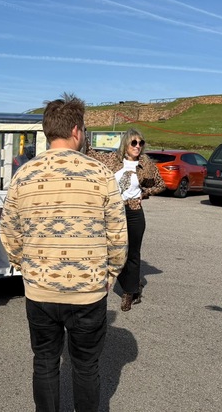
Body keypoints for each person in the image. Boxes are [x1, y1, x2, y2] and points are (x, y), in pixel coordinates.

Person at [0, 94, 128, 411]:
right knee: (85, 367)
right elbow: (118, 236)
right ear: (77, 131)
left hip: (40, 290)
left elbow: (8, 231)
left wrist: (24, 266)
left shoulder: (24, 175)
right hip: (88, 291)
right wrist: (110, 274)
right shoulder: (100, 175)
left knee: (44, 361)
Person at [87, 128, 165, 311]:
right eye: (134, 143)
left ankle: (129, 292)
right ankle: (130, 282)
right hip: (115, 211)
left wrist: (145, 193)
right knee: (113, 250)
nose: (138, 147)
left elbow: (161, 184)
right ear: (126, 144)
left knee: (133, 253)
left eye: (141, 143)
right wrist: (82, 130)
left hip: (134, 212)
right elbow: (91, 153)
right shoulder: (113, 160)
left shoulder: (145, 164)